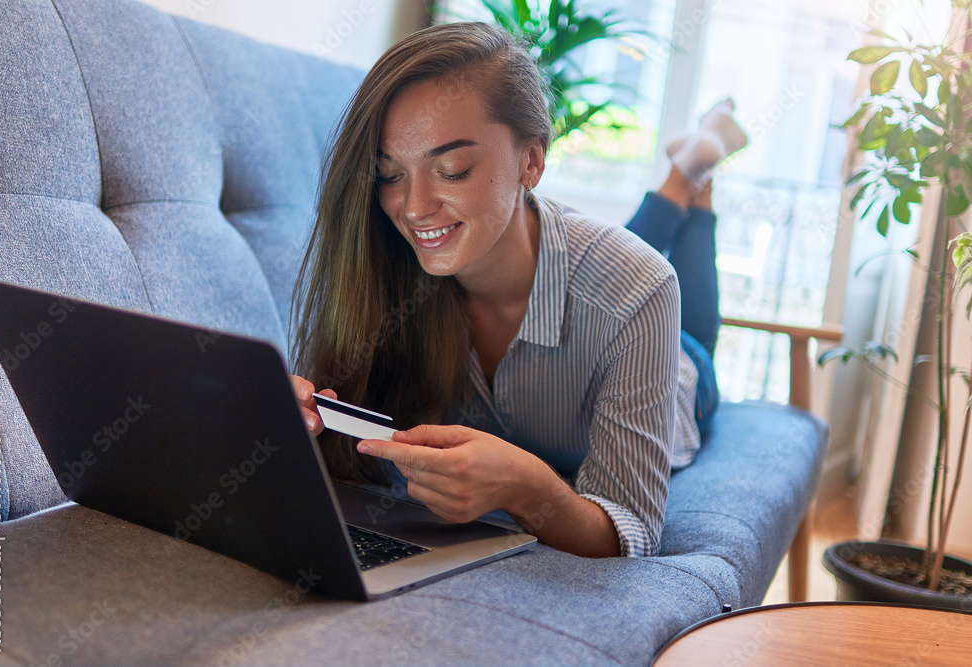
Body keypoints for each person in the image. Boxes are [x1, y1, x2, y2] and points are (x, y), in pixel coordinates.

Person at [289, 22, 746, 559]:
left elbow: (633, 537)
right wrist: (299, 428)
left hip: (681, 371)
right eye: (390, 175)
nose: (413, 209)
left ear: (532, 161)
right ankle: (691, 169)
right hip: (576, 266)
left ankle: (693, 172)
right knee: (611, 264)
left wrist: (527, 488)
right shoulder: (379, 263)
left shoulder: (639, 288)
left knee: (691, 330)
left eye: (452, 170)